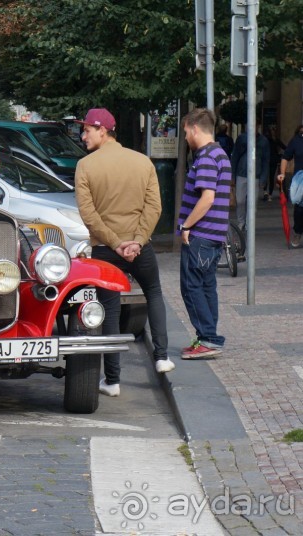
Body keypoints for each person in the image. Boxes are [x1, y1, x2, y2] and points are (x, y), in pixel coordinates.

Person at [74, 108, 173, 398]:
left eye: (87, 130)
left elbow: (88, 215)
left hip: (106, 250)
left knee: (110, 309)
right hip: (139, 247)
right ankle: (162, 357)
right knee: (153, 292)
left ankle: (113, 380)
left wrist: (115, 243)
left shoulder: (86, 166)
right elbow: (154, 207)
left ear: (102, 130)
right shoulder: (143, 162)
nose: (83, 136)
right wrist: (138, 241)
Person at [178, 108, 232, 359]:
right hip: (214, 234)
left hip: (201, 234)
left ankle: (208, 339)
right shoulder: (220, 153)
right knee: (207, 286)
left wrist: (186, 225)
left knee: (192, 287)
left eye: (186, 132)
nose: (186, 137)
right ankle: (208, 337)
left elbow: (207, 198)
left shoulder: (206, 157)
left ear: (194, 128)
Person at [230, 122, 270, 230]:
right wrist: (232, 176)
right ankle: (241, 221)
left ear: (258, 126)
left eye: (255, 125)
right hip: (241, 174)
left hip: (255, 176)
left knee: (252, 203)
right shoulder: (241, 139)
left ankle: (249, 224)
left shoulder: (264, 141)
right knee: (240, 200)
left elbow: (266, 161)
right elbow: (235, 157)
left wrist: (263, 178)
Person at [277, 124, 303, 247]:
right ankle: (298, 232)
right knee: (299, 208)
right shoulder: (296, 141)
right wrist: (282, 174)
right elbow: (285, 157)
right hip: (300, 180)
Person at [266, 125, 286, 199]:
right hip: (273, 160)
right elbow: (284, 147)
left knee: (269, 177)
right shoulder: (274, 140)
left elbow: (284, 147)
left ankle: (268, 193)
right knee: (271, 177)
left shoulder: (267, 140)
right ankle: (269, 193)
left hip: (269, 160)